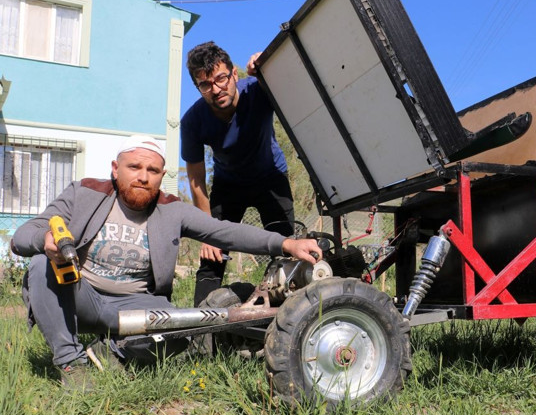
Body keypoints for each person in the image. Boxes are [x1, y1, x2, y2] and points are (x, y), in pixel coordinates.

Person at [11, 136, 322, 391]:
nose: (143, 177)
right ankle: (71, 362)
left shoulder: (172, 209)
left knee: (183, 329)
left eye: (153, 170)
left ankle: (112, 351)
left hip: (134, 304)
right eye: (134, 167)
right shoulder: (84, 192)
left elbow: (225, 231)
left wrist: (285, 243)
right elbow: (24, 235)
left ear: (162, 176)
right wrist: (46, 241)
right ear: (116, 168)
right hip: (81, 297)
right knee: (41, 264)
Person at [181, 41, 294, 307]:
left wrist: (267, 64)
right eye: (206, 84)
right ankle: (201, 332)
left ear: (234, 74)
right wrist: (206, 232)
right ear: (198, 88)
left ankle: (283, 315)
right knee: (211, 257)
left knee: (287, 249)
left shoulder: (259, 90)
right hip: (228, 184)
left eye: (221, 78)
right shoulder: (192, 121)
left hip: (271, 177)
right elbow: (196, 179)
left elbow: (295, 79)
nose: (216, 89)